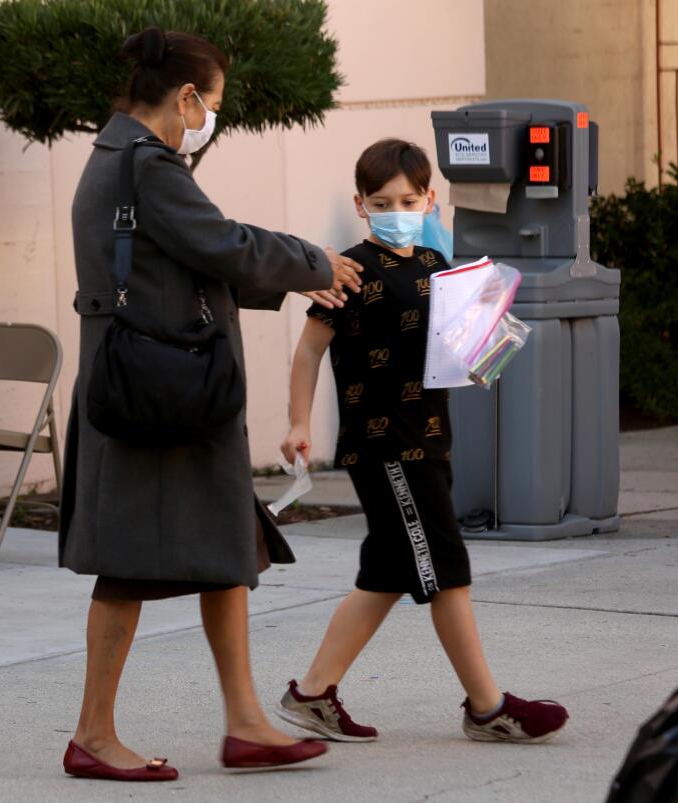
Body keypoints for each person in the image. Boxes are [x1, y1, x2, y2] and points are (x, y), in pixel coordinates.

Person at [59, 26, 363, 781]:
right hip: (159, 393)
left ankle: (247, 722)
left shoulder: (118, 156)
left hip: (162, 387)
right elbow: (220, 242)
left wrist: (293, 279)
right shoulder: (146, 166)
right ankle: (93, 735)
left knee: (230, 547)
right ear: (186, 96)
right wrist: (312, 260)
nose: (211, 115)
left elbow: (191, 256)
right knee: (129, 564)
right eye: (213, 102)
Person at [275, 138, 569, 744]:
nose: (396, 209)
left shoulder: (436, 265)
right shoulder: (349, 270)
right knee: (445, 567)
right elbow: (308, 350)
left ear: (430, 199)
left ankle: (311, 695)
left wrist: (491, 335)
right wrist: (299, 423)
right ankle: (488, 708)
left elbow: (462, 346)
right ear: (360, 205)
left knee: (388, 571)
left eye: (409, 199)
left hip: (429, 437)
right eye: (381, 201)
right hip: (385, 447)